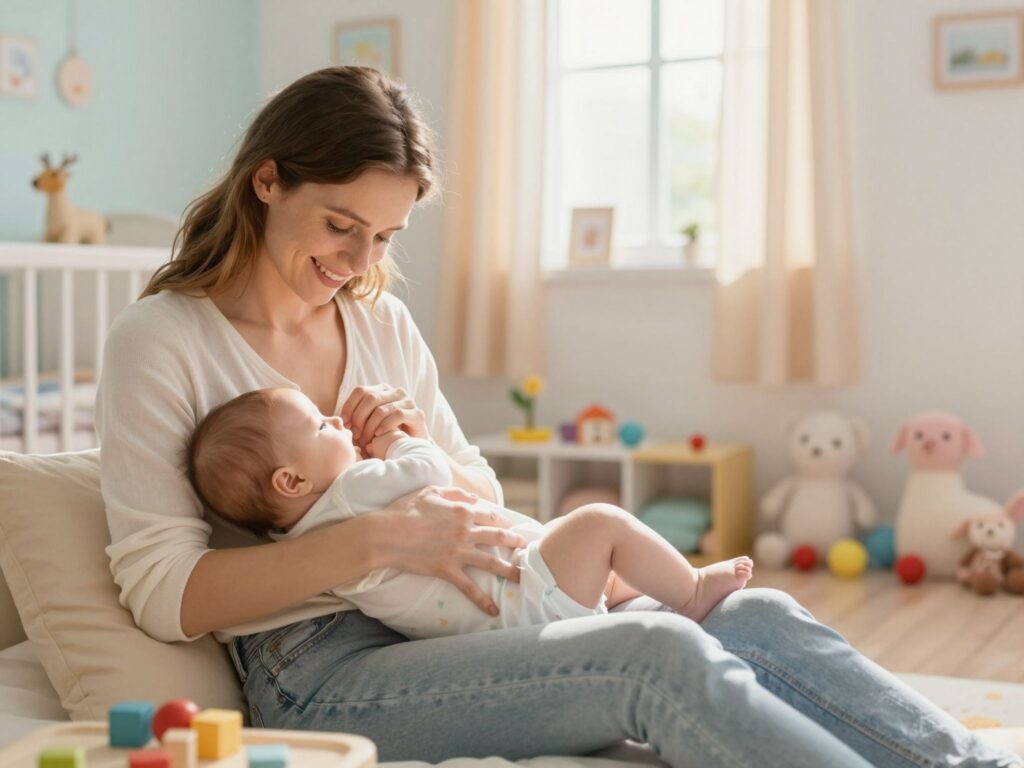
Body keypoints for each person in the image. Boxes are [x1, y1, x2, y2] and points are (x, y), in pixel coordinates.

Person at [94, 66, 1023, 767]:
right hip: (323, 664)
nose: (357, 259)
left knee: (753, 612)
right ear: (267, 182)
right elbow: (163, 593)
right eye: (341, 226)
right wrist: (379, 538)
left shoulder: (375, 320)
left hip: (476, 602)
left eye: (384, 237)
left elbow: (478, 488)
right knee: (651, 653)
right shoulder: (164, 339)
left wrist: (424, 465)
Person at [186, 386, 754, 637]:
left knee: (588, 552)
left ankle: (632, 598)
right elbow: (428, 470)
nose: (336, 422)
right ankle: (694, 589)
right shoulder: (353, 493)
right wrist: (399, 441)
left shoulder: (303, 539)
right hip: (523, 598)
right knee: (599, 522)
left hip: (511, 608)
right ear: (292, 480)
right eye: (318, 423)